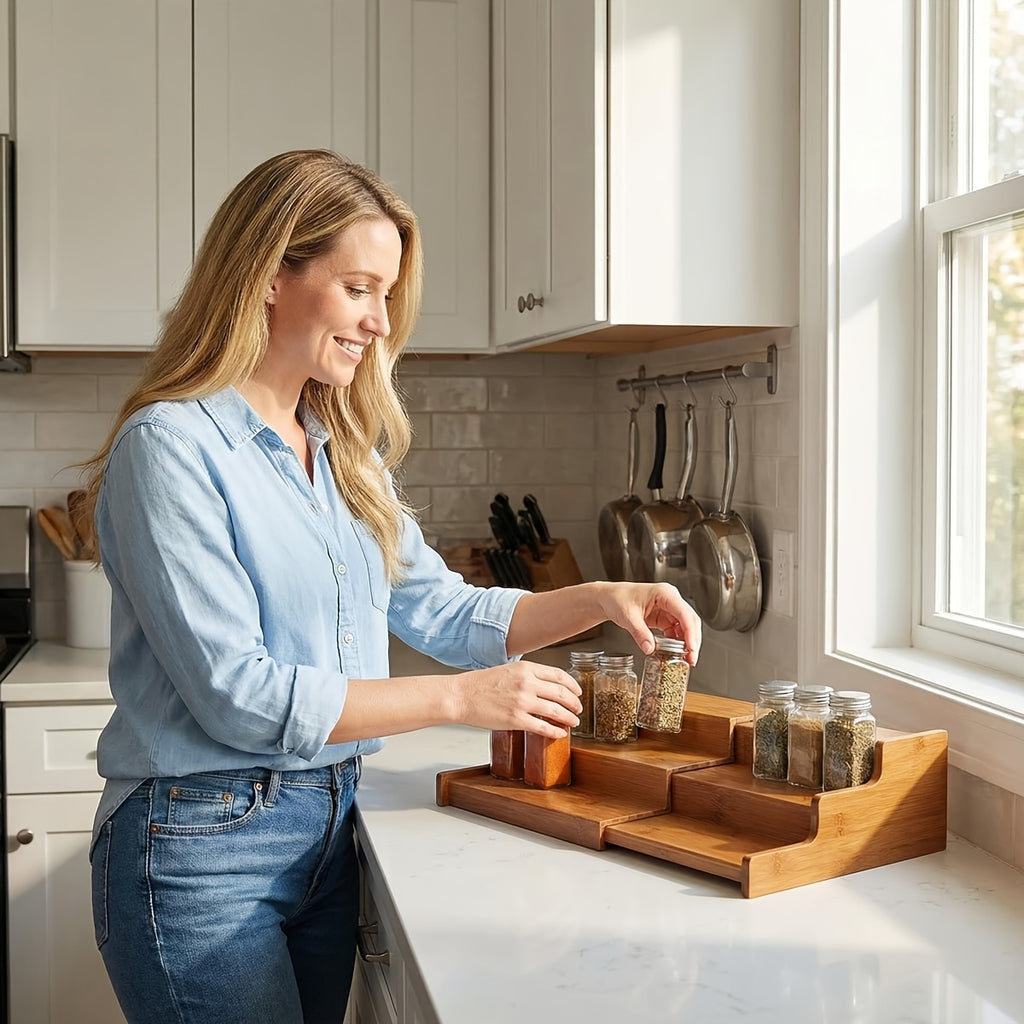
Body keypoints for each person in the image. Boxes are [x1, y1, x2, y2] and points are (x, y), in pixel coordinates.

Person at [81, 149, 702, 1024]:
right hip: (200, 848)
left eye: (386, 295)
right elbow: (239, 697)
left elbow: (447, 611)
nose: (379, 322)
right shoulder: (172, 449)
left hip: (331, 827)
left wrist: (604, 597)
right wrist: (460, 700)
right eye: (359, 288)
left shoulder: (342, 451)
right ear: (268, 276)